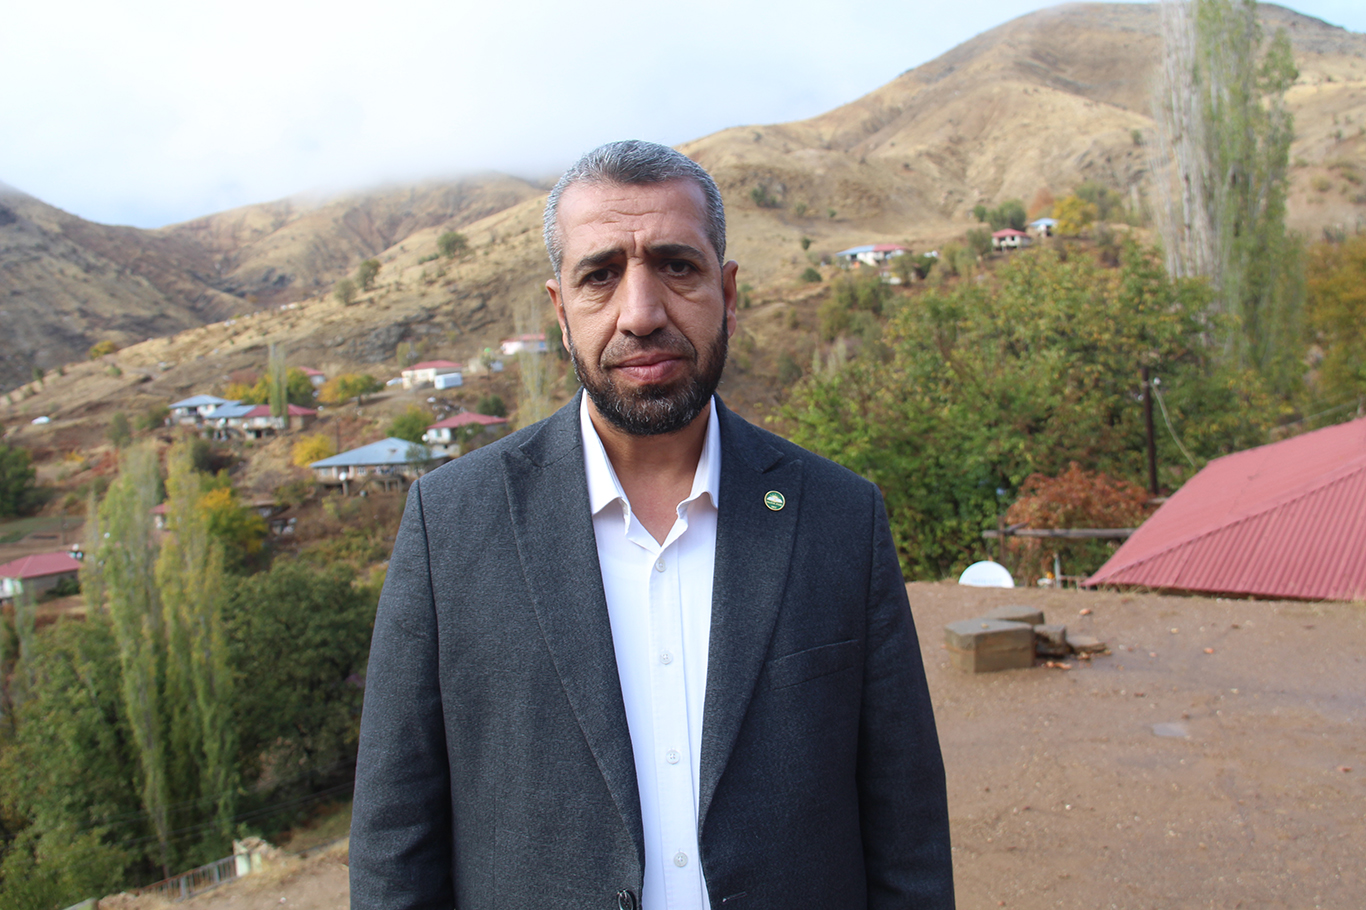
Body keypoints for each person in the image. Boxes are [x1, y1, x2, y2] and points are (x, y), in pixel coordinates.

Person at [349, 140, 953, 910]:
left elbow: (906, 836)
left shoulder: (839, 516)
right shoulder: (452, 526)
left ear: (727, 292)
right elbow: (395, 845)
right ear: (560, 311)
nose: (641, 312)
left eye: (676, 266)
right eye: (601, 275)